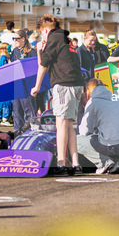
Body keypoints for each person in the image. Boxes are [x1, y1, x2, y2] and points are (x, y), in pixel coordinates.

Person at [31, 14, 85, 175]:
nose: (42, 37)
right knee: (69, 125)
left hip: (64, 84)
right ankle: (75, 163)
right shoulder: (65, 39)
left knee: (60, 124)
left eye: (42, 33)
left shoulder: (53, 38)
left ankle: (61, 162)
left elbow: (43, 65)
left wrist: (37, 86)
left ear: (45, 30)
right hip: (76, 84)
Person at [76, 79, 119, 174]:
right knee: (109, 138)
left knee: (76, 141)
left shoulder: (93, 102)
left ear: (89, 90)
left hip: (112, 146)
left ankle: (104, 162)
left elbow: (84, 131)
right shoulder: (116, 100)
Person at [10, 29, 38, 134]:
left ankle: (30, 131)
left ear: (23, 39)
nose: (14, 41)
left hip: (27, 85)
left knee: (29, 110)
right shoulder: (15, 51)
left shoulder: (32, 52)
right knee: (16, 111)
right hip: (17, 84)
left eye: (16, 39)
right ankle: (17, 131)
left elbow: (35, 68)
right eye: (13, 39)